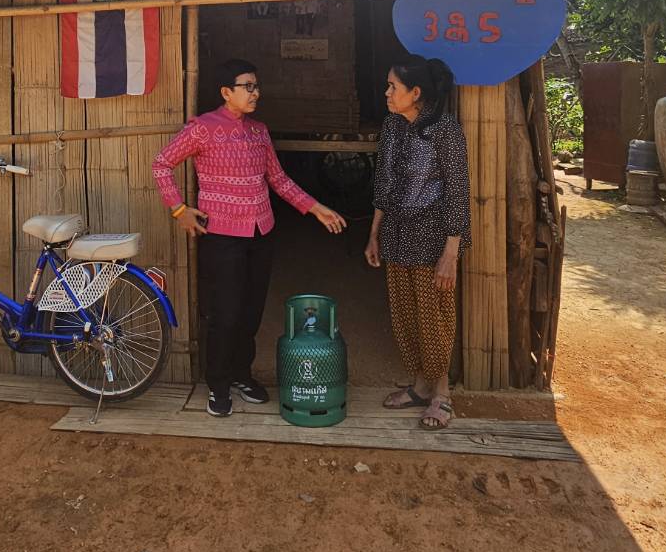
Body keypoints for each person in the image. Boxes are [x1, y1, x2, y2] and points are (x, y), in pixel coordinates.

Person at [153, 58, 348, 417]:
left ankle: (241, 374)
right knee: (224, 314)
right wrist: (179, 210)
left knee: (250, 312)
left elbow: (278, 179)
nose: (255, 93)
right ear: (226, 92)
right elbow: (161, 164)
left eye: (256, 86)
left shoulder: (259, 131)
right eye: (248, 86)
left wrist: (315, 208)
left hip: (261, 233)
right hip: (222, 237)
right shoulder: (203, 128)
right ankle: (218, 383)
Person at [364, 55, 470, 430]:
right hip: (395, 234)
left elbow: (458, 192)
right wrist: (374, 234)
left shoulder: (445, 130)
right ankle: (421, 387)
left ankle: (442, 394)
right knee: (406, 315)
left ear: (416, 92)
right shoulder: (393, 126)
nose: (387, 93)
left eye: (393, 87)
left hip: (432, 239)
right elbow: (383, 184)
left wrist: (451, 253)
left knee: (434, 317)